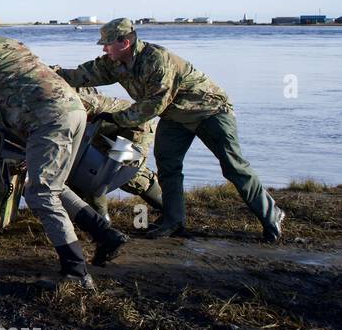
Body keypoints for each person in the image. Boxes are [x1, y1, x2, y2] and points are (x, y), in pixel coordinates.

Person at [0, 18, 127, 290]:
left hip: (47, 121)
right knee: (54, 186)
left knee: (39, 193)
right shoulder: (7, 45)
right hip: (73, 110)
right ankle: (105, 234)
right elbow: (11, 95)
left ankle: (76, 272)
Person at [56, 18, 283, 242]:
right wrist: (44, 73)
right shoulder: (113, 62)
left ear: (124, 42)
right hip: (174, 116)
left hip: (209, 111)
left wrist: (115, 117)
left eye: (107, 43)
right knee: (168, 166)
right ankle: (174, 222)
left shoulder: (157, 60)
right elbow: (80, 75)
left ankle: (271, 215)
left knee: (234, 167)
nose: (104, 48)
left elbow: (153, 105)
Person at [72, 88, 163, 219]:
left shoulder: (72, 102)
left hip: (134, 124)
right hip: (101, 129)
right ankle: (98, 223)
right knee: (86, 173)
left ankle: (172, 213)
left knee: (126, 175)